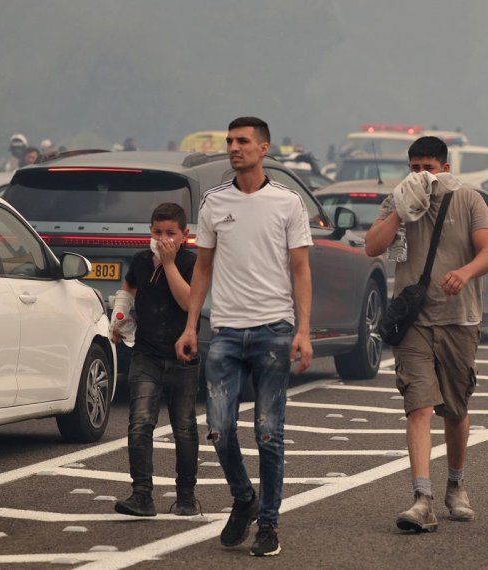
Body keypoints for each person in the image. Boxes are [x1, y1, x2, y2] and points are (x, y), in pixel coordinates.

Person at [175, 116, 313, 557]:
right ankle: (244, 497)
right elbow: (202, 267)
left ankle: (269, 524)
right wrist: (191, 324)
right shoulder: (214, 202)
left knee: (269, 432)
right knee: (218, 428)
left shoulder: (287, 202)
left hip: (274, 329)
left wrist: (304, 331)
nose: (234, 147)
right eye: (230, 141)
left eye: (243, 141)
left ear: (264, 148)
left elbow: (301, 269)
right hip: (227, 331)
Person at [365, 136, 488, 533]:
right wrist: (401, 213)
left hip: (459, 318)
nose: (421, 175)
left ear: (445, 167)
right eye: (414, 167)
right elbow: (373, 246)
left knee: (454, 411)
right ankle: (421, 498)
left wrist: (466, 272)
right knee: (419, 406)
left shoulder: (468, 199)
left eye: (428, 168)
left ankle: (455, 485)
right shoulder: (398, 199)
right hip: (414, 323)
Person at [112, 203, 200, 518]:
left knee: (185, 427)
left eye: (170, 233)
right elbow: (129, 287)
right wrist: (119, 318)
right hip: (146, 353)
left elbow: (189, 301)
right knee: (139, 423)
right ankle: (141, 495)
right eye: (157, 232)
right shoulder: (140, 261)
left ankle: (186, 496)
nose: (163, 239)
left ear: (184, 235)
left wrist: (169, 263)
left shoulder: (192, 262)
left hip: (182, 356)